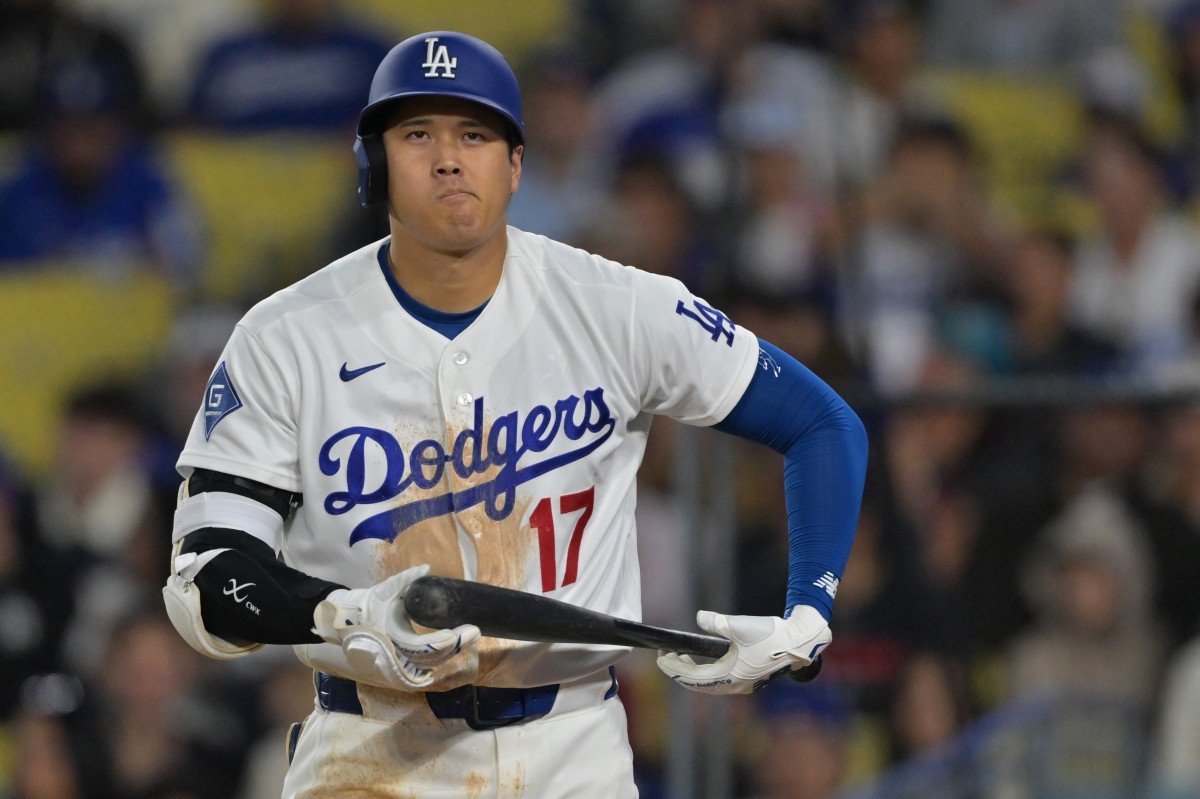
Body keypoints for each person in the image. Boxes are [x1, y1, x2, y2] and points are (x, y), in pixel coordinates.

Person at [160, 31, 868, 797]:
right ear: (374, 164)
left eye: (475, 134)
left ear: (516, 164)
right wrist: (345, 614)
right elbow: (208, 578)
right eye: (417, 134)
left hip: (573, 748)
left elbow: (825, 423)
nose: (448, 159)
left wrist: (808, 613)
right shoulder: (284, 337)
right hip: (370, 744)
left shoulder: (617, 306)